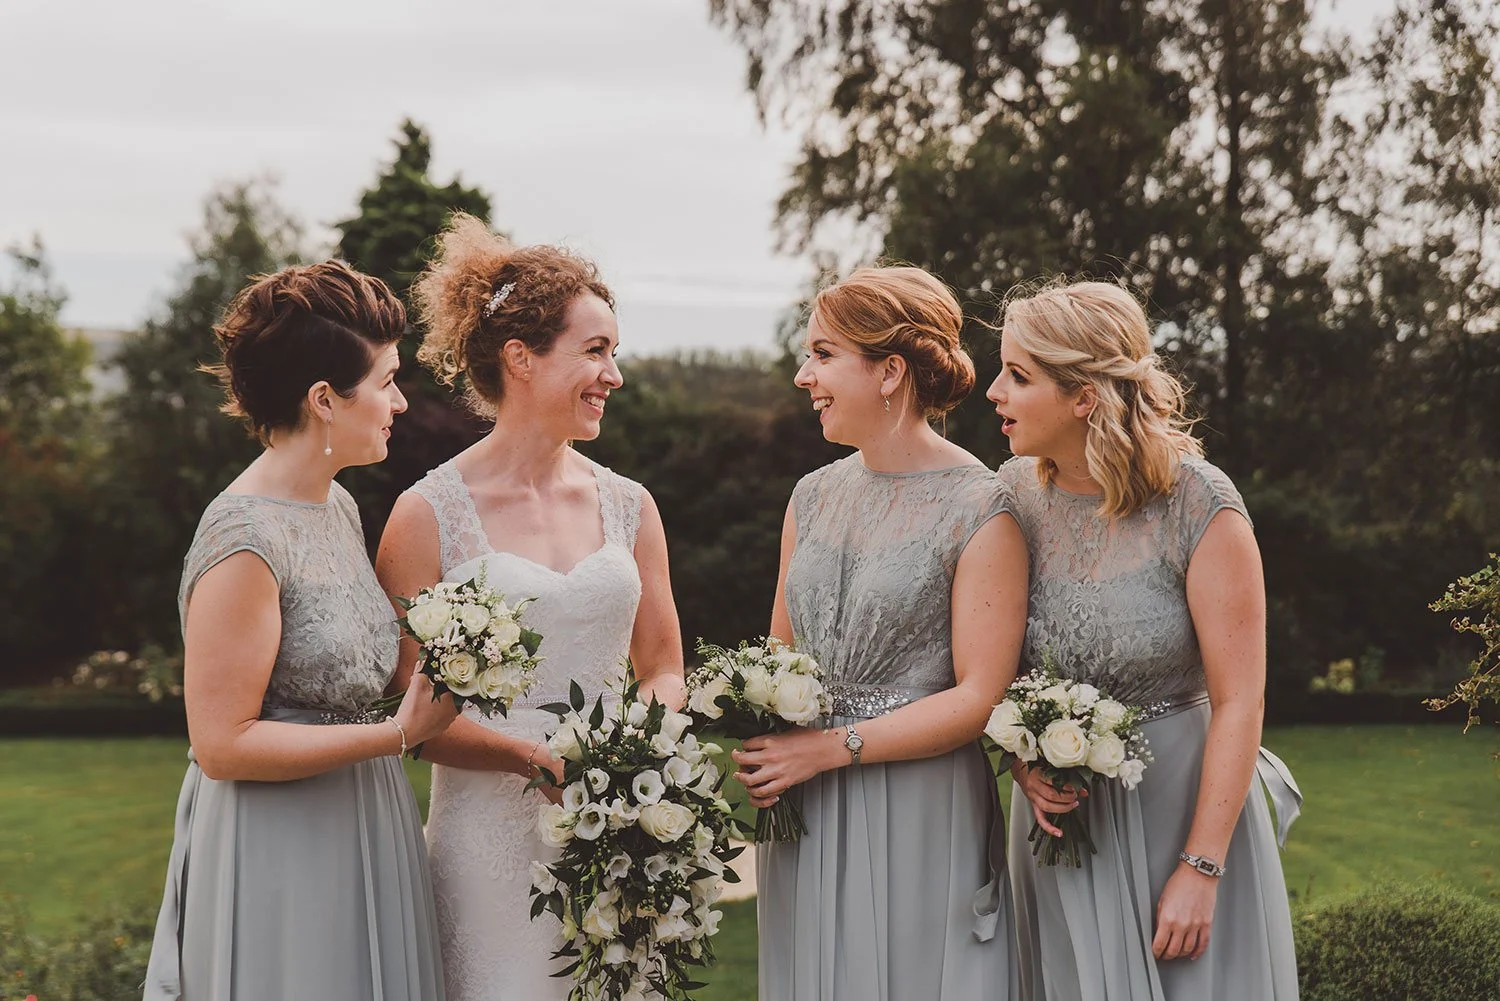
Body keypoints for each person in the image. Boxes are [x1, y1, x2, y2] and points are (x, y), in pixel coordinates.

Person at [376, 213, 686, 1001]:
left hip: (618, 838)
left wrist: (626, 755)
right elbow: (407, 710)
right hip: (485, 853)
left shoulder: (631, 505)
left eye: (613, 351)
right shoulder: (425, 515)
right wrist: (532, 758)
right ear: (521, 357)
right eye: (594, 350)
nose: (613, 373)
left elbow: (664, 666)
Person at [143, 260, 458, 1001]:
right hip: (279, 844)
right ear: (324, 398)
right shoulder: (244, 535)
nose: (400, 402)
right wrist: (398, 734)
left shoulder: (338, 507)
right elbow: (223, 742)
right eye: (385, 381)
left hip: (366, 818)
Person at [988, 279, 1301, 1000]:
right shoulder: (1012, 500)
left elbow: (1240, 699)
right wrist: (1020, 762)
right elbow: (989, 664)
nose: (995, 391)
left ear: (1084, 396)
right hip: (1060, 832)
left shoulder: (1200, 503)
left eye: (1019, 375)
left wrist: (1202, 866)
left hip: (1182, 811)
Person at [732, 265, 1028, 1000]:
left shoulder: (982, 507)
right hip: (803, 804)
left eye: (824, 354)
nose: (804, 375)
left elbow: (978, 695)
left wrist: (827, 749)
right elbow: (782, 651)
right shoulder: (812, 494)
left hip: (916, 803)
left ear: (890, 371)